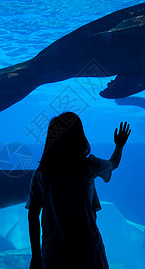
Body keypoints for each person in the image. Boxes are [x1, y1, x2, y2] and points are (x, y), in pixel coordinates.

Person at [26, 112, 131, 269]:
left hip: (54, 250)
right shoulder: (87, 166)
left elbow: (33, 214)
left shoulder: (41, 173)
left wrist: (36, 256)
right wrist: (119, 145)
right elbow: (113, 163)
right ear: (79, 135)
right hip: (86, 247)